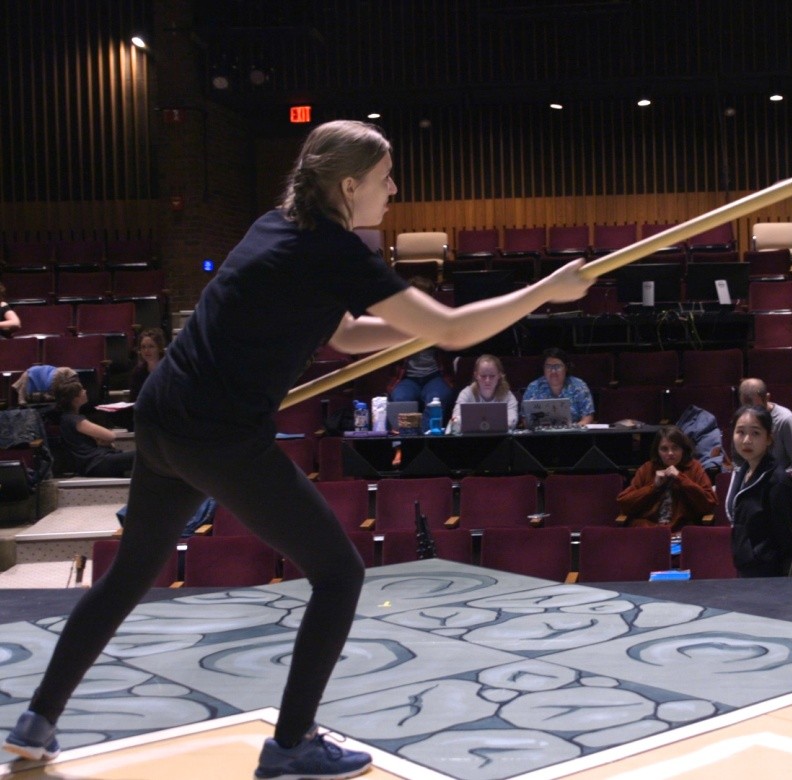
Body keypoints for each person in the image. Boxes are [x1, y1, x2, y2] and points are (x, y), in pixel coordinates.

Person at [1, 119, 590, 779]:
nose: (393, 190)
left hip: (165, 416)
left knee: (129, 575)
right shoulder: (338, 252)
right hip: (218, 434)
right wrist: (544, 292)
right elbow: (452, 331)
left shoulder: (274, 226)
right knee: (339, 573)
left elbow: (339, 334)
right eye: (384, 178)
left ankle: (36, 722)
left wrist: (400, 329)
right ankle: (291, 744)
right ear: (347, 185)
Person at [725, 405, 792, 578]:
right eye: (740, 432)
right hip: (745, 569)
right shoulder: (741, 472)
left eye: (755, 433)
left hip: (770, 576)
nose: (746, 440)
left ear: (768, 438)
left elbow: (787, 541)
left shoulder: (779, 481)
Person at [617, 424, 716, 529]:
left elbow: (709, 504)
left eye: (675, 448)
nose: (670, 453)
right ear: (657, 451)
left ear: (683, 449)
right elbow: (624, 504)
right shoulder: (647, 468)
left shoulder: (694, 468)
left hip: (681, 531)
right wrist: (653, 487)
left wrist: (681, 478)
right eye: (664, 449)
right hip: (649, 531)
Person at [388, 276, 456, 420]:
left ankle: (426, 440)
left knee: (435, 401)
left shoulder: (441, 318)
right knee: (401, 400)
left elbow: (455, 346)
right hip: (407, 378)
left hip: (435, 376)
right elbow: (388, 351)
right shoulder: (398, 321)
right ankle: (408, 440)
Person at [50, 373, 134, 477]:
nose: (85, 391)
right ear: (75, 399)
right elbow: (110, 436)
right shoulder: (75, 419)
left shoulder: (67, 418)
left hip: (92, 463)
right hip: (95, 463)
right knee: (141, 456)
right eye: (81, 390)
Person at [738, 378, 792, 488]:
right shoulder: (742, 419)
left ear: (767, 398)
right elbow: (738, 461)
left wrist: (774, 482)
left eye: (756, 408)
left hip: (781, 490)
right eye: (746, 408)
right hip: (751, 488)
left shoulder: (785, 420)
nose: (751, 415)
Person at [522, 347, 595, 426]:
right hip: (541, 435)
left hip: (573, 434)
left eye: (557, 366)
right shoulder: (533, 387)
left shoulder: (579, 386)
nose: (553, 371)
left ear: (566, 368)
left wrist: (576, 428)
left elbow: (588, 416)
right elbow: (525, 418)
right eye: (548, 366)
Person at [447, 353, 518, 433]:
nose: (487, 380)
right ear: (476, 375)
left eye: (492, 376)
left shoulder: (507, 395)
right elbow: (455, 419)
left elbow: (512, 420)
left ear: (499, 376)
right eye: (483, 376)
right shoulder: (466, 394)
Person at [128, 327, 166, 402]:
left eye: (151, 346)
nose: (146, 350)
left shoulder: (168, 370)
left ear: (160, 348)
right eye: (143, 347)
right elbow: (133, 400)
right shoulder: (138, 373)